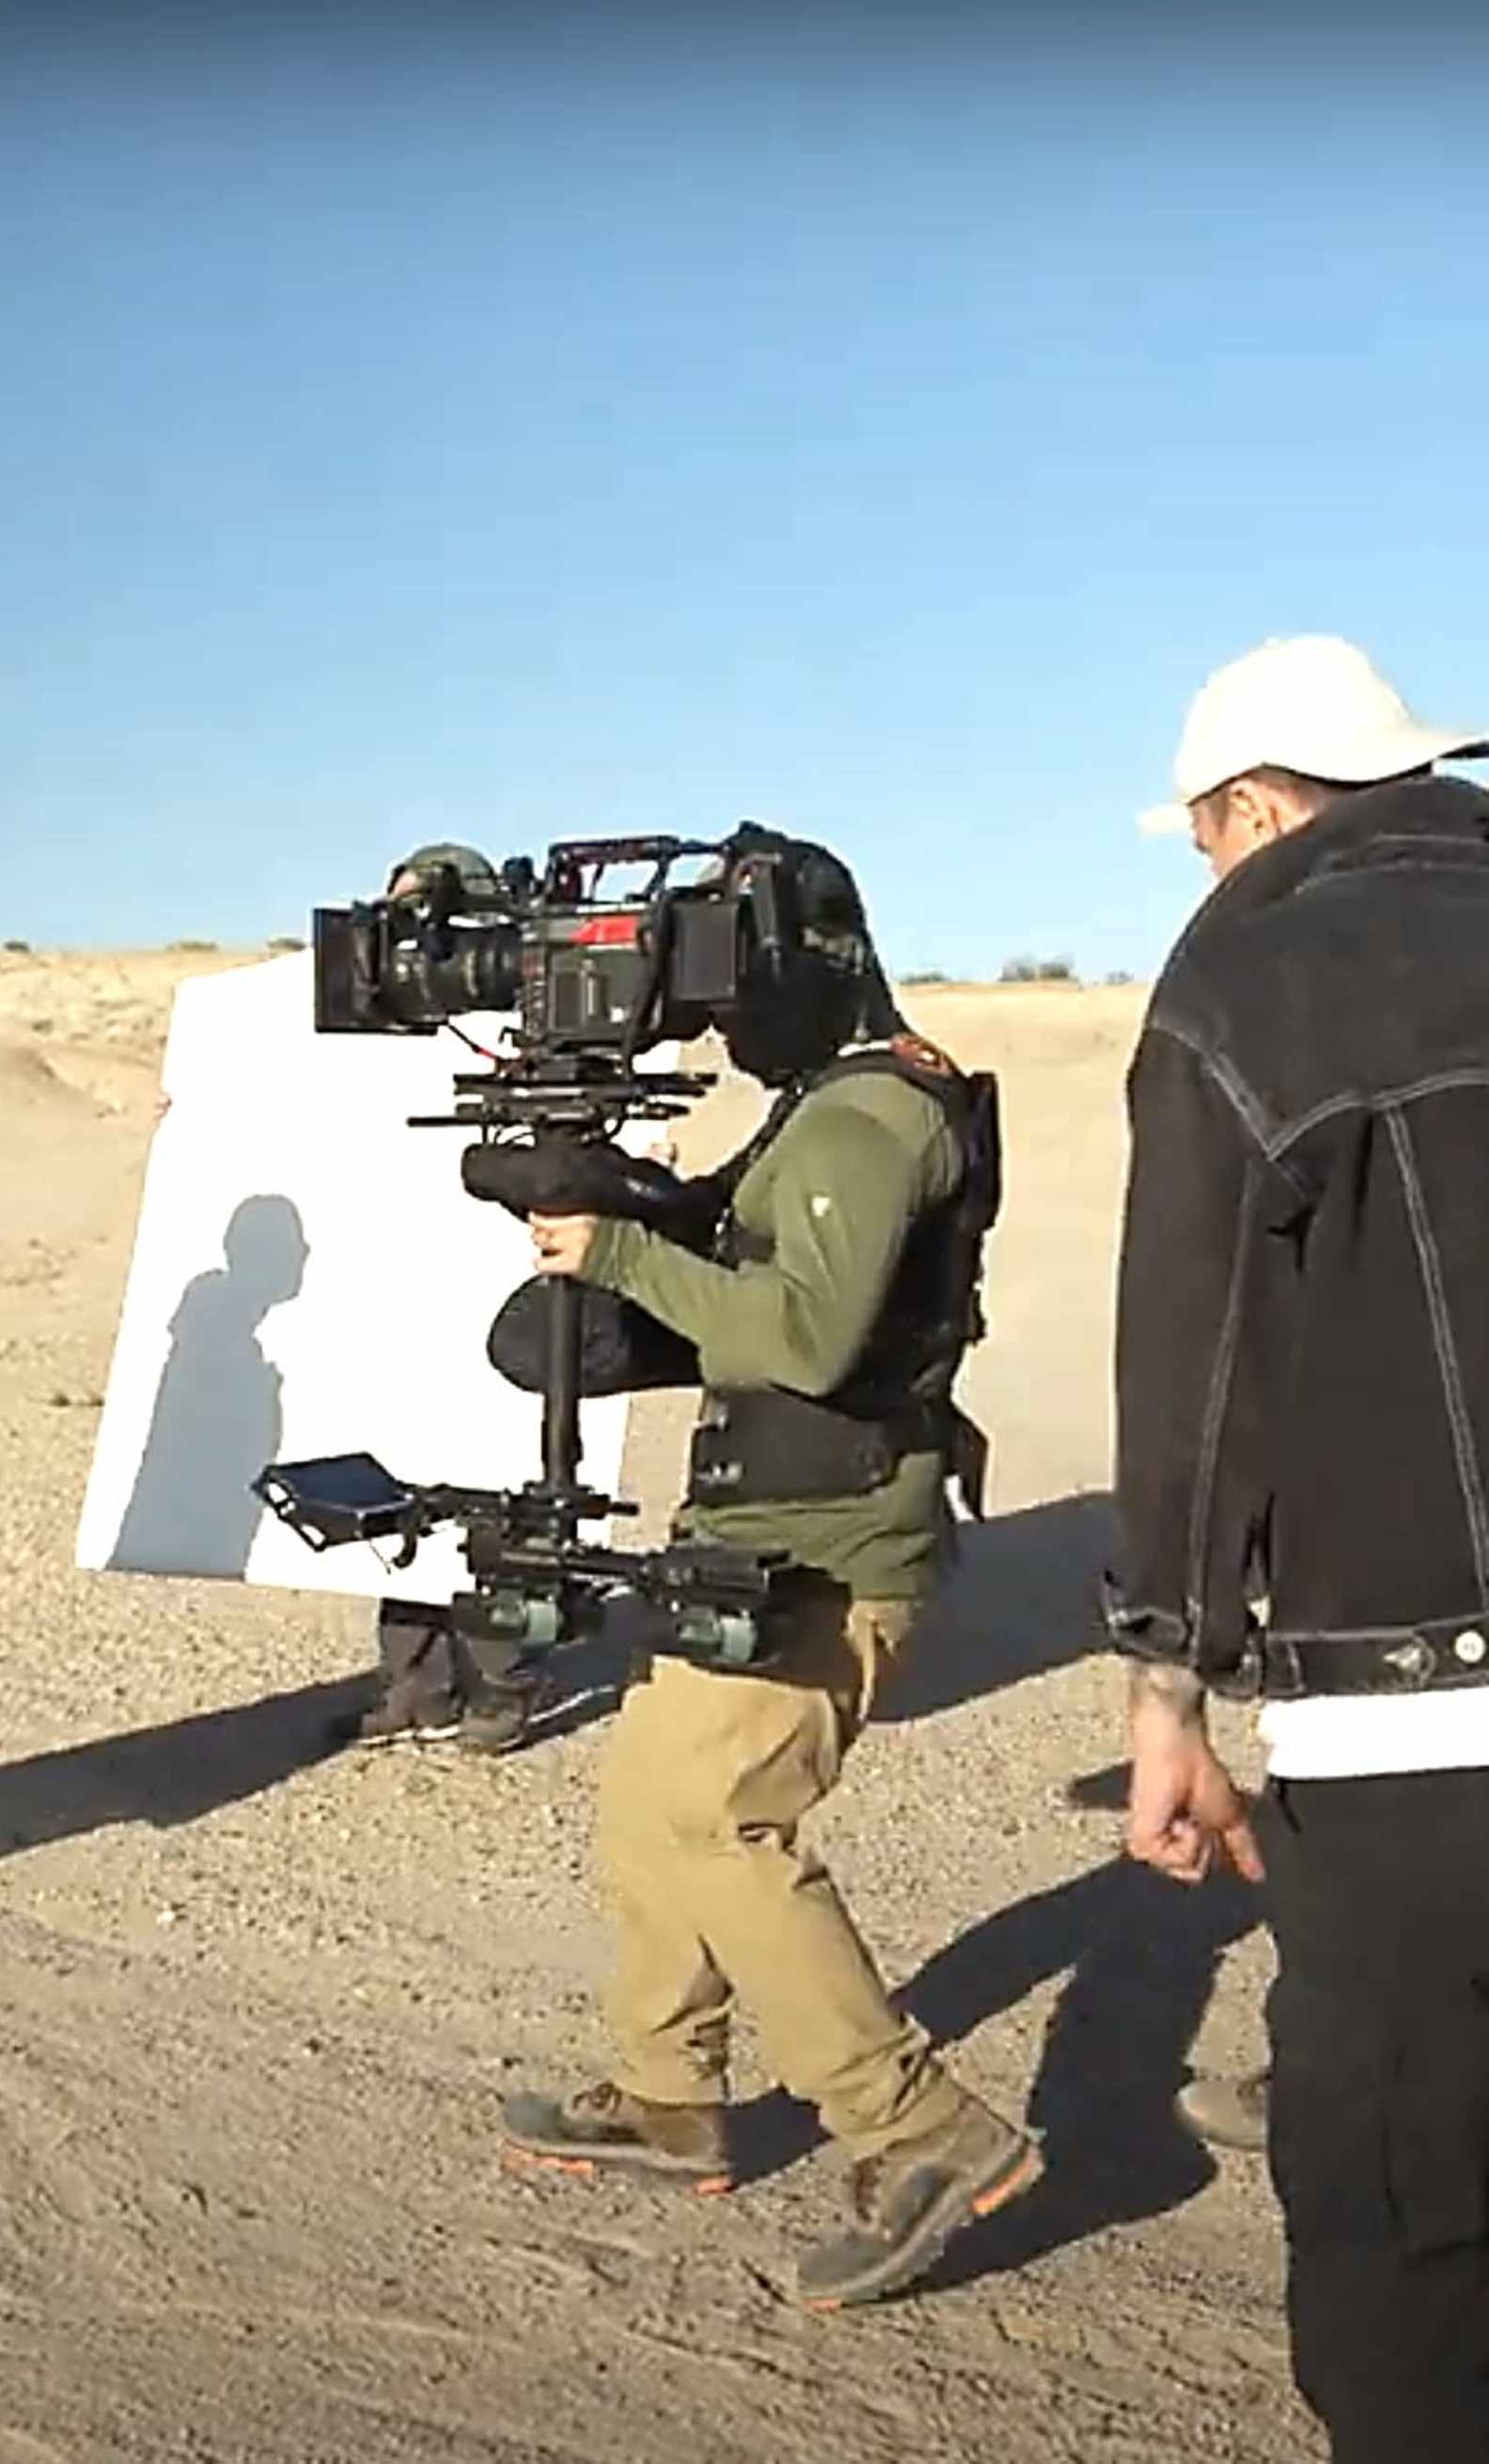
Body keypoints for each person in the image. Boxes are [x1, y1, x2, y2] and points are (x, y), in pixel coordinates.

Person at [485, 825, 1042, 2312]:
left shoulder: (865, 1119)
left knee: (723, 1829)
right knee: (647, 1812)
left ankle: (917, 2126)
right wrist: (614, 1202)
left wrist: (613, 1257)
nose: (718, 1022)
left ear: (812, 966)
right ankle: (668, 2091)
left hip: (829, 1541)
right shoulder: (835, 1101)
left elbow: (799, 1335)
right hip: (772, 1522)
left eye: (731, 987)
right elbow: (730, 1255)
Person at [1102, 634, 1489, 2460]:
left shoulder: (1255, 965)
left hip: (1418, 1718)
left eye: (1199, 838)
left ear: (1255, 805)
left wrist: (1166, 1677)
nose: (1203, 872)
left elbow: (1197, 1363)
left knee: (1407, 2206)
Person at [344, 843, 550, 1757]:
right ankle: (412, 1683)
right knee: (401, 1487)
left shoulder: (536, 998)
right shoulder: (376, 1006)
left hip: (508, 1288)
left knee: (506, 1490)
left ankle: (502, 1684)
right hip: (402, 1293)